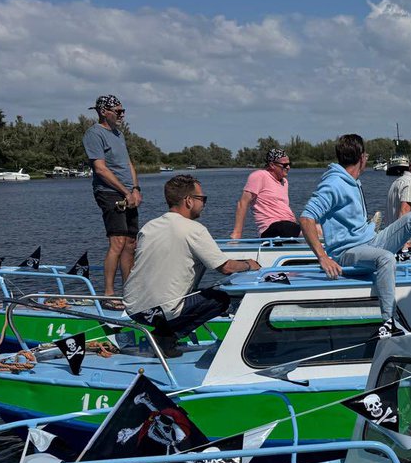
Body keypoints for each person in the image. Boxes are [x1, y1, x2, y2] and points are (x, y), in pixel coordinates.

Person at [299, 135, 411, 338]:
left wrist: (369, 226)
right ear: (362, 157)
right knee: (385, 258)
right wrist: (323, 257)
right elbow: (306, 218)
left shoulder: (352, 181)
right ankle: (389, 322)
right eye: (366, 155)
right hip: (347, 253)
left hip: (369, 242)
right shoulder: (334, 183)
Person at [124, 175, 259, 357]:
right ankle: (166, 337)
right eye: (202, 199)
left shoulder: (149, 226)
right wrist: (249, 264)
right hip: (161, 312)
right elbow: (226, 268)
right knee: (220, 299)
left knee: (194, 292)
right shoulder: (194, 229)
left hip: (134, 308)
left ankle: (163, 334)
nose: (204, 203)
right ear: (188, 201)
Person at [83, 94, 141, 306]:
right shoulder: (94, 134)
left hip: (128, 192)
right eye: (118, 111)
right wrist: (125, 192)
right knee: (117, 241)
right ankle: (108, 294)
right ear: (103, 112)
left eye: (123, 111)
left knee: (131, 243)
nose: (122, 115)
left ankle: (130, 293)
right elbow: (100, 168)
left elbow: (128, 163)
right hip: (109, 192)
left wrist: (135, 189)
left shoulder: (119, 134)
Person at [230, 148, 300, 239]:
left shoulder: (284, 182)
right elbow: (243, 203)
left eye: (289, 164)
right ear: (272, 165)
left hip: (289, 226)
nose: (288, 167)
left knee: (310, 226)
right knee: (309, 230)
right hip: (271, 228)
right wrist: (237, 233)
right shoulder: (259, 176)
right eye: (285, 165)